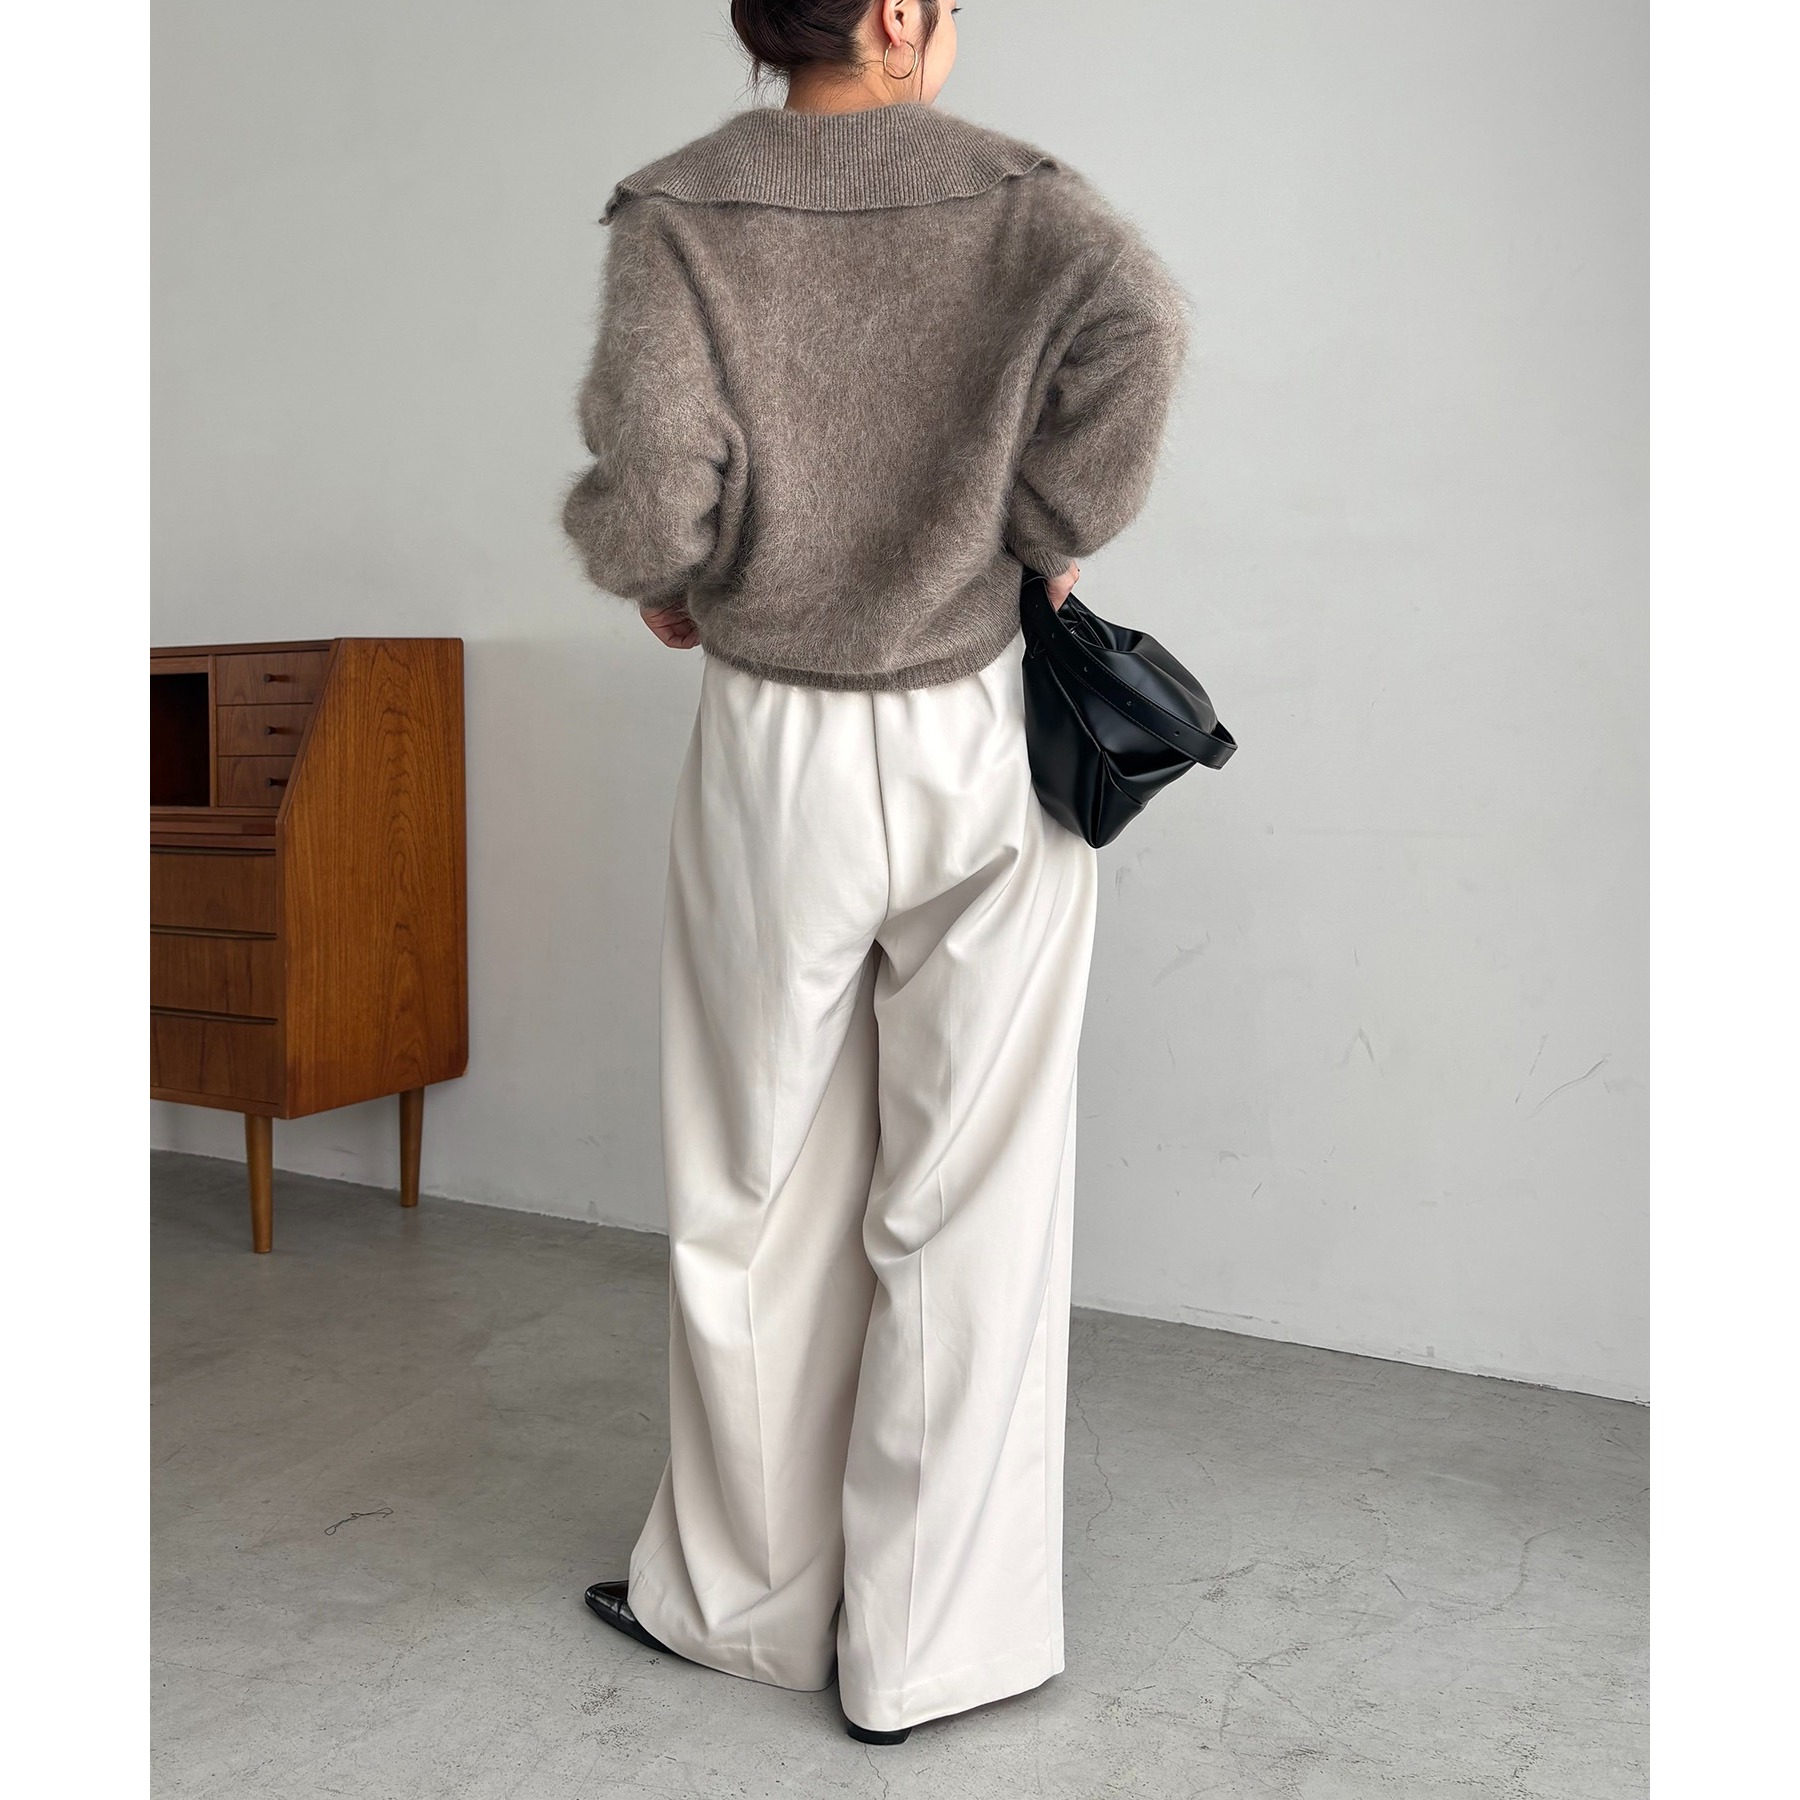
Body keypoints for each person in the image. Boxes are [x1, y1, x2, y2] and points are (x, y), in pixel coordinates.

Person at [562, 0, 1187, 1747]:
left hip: (780, 740)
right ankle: (939, 1647)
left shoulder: (681, 212)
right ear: (902, 13)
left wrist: (667, 571)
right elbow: (1142, 332)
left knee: (752, 1180)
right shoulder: (1033, 201)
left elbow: (655, 482)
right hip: (988, 728)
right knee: (977, 1188)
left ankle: (746, 1613)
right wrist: (1040, 536)